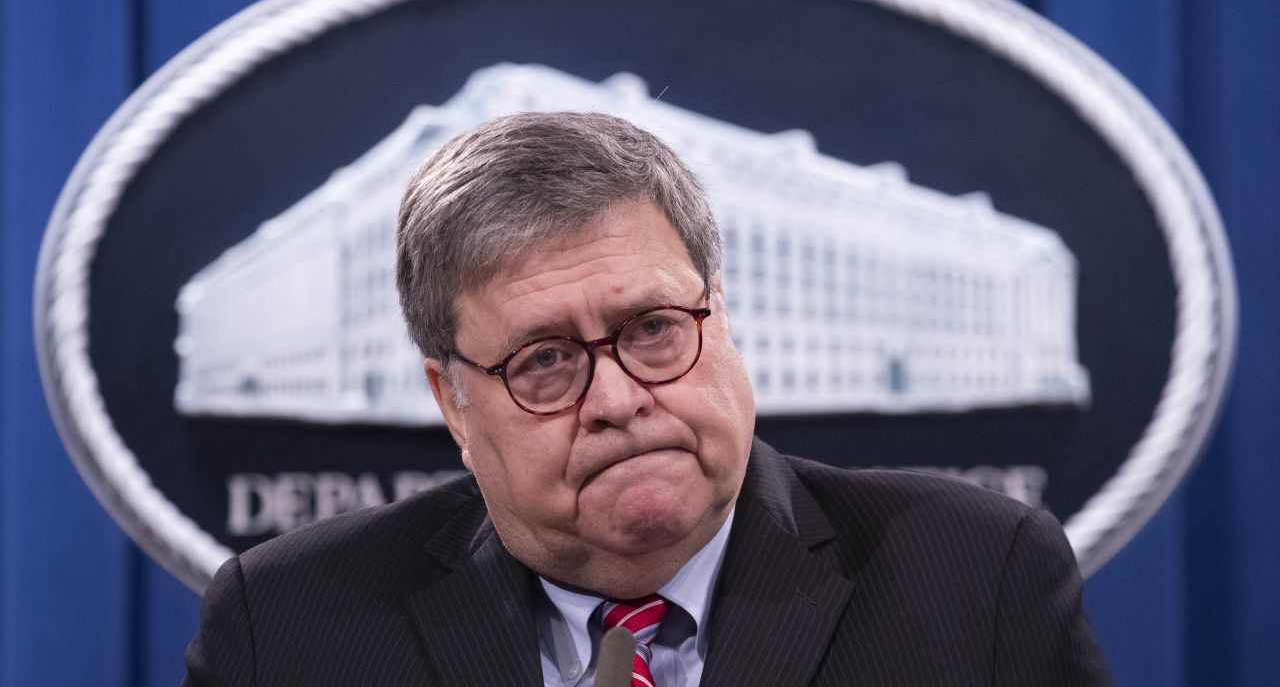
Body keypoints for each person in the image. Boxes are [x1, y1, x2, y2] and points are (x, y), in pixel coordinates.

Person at [184, 112, 1111, 685]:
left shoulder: (973, 577)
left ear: (722, 318)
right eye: (545, 360)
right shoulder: (288, 627)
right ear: (454, 403)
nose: (620, 399)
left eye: (653, 329)